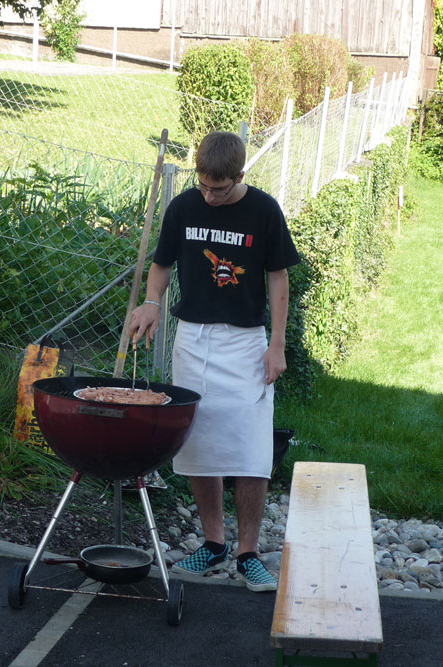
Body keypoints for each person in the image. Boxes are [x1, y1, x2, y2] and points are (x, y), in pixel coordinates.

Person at [130, 131, 300, 592]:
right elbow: (162, 264)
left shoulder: (264, 210)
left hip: (246, 343)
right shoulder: (184, 207)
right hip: (192, 339)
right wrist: (151, 302)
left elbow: (278, 278)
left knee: (251, 450)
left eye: (219, 190)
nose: (209, 196)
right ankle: (214, 543)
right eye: (203, 186)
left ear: (239, 176)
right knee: (199, 445)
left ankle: (248, 553)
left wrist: (277, 344)